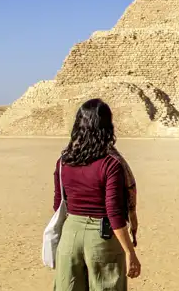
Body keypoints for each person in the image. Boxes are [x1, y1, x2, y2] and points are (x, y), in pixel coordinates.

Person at [53, 99, 141, 290]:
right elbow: (114, 213)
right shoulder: (111, 164)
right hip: (102, 239)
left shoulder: (63, 162)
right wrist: (130, 252)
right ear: (107, 126)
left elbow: (58, 205)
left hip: (70, 235)